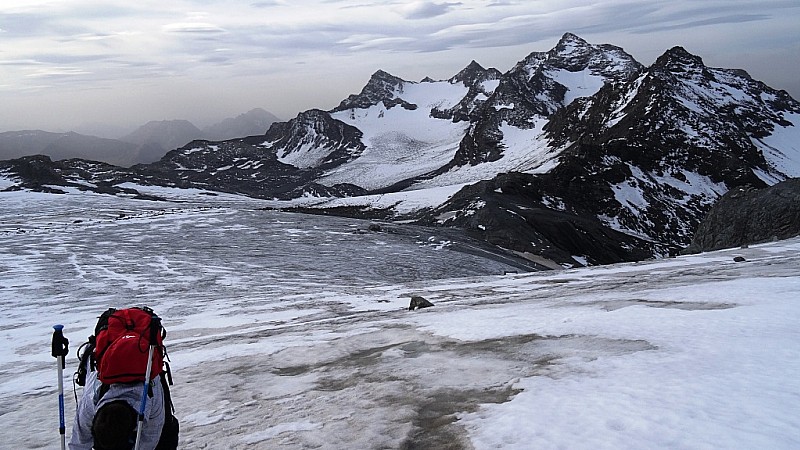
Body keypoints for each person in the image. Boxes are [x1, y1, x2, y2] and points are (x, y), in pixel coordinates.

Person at [69, 363, 166, 450]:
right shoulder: (88, 407)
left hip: (147, 367)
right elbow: (78, 445)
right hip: (101, 360)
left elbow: (148, 442)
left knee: (166, 439)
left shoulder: (152, 401)